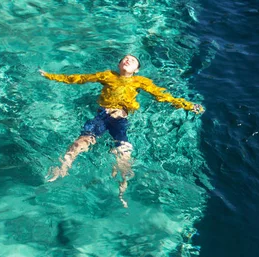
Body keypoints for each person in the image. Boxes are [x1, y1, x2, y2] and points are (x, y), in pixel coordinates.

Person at [39, 55, 203, 205]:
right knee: (82, 141)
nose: (127, 60)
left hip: (120, 119)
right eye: (124, 58)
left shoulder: (141, 82)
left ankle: (122, 189)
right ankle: (63, 167)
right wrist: (50, 76)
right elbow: (80, 78)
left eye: (132, 60)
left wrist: (189, 106)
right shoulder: (107, 75)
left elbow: (164, 96)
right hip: (102, 115)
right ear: (118, 65)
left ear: (136, 70)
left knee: (124, 151)